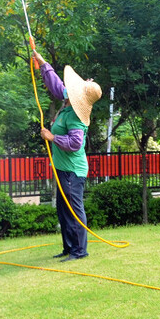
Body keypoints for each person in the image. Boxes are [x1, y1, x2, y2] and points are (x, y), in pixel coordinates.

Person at [30, 50, 102, 261]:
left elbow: (75, 143)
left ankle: (80, 250)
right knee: (63, 210)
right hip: (63, 169)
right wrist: (42, 63)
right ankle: (69, 248)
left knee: (74, 210)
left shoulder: (77, 118)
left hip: (73, 171)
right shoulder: (67, 101)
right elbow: (56, 85)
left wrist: (52, 137)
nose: (69, 90)